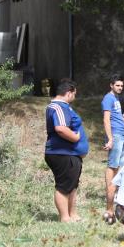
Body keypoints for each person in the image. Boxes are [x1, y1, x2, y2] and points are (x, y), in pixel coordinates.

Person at [44, 79, 89, 222]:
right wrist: (75, 139)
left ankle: (72, 214)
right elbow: (61, 128)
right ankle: (65, 217)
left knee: (72, 185)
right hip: (61, 153)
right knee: (64, 186)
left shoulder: (63, 107)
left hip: (70, 154)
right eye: (74, 94)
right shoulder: (58, 107)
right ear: (69, 93)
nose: (74, 98)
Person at [102, 74, 124, 223]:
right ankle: (110, 190)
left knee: (120, 165)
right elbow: (106, 119)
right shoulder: (108, 98)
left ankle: (115, 190)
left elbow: (114, 117)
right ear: (111, 85)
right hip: (116, 136)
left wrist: (122, 119)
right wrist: (110, 138)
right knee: (112, 165)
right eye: (117, 85)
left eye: (121, 86)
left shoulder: (116, 99)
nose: (120, 88)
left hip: (122, 134)